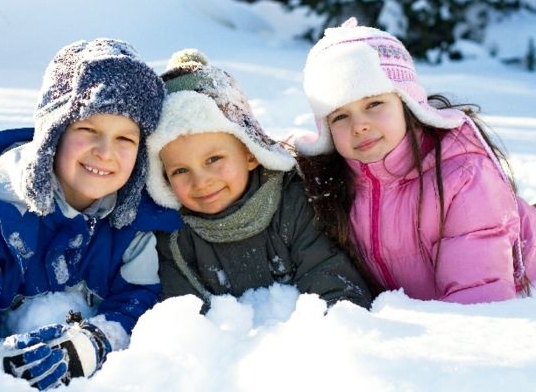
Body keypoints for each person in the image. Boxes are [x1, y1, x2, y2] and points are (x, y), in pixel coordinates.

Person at [0, 38, 181, 390]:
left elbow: (138, 298)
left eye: (125, 139)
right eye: (88, 130)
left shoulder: (131, 218)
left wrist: (98, 338)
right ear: (54, 133)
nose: (105, 152)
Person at [294, 18, 536, 303]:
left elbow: (480, 299)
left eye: (374, 104)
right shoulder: (336, 183)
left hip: (533, 246)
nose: (359, 126)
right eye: (340, 116)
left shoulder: (463, 178)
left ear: (408, 105)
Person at [145, 49, 373, 310]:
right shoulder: (175, 237)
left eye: (214, 159)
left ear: (251, 154)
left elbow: (328, 274)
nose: (201, 181)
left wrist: (335, 323)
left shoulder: (290, 202)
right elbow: (182, 318)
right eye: (180, 171)